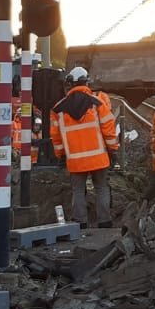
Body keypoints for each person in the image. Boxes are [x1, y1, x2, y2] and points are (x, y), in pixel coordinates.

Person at [50, 66, 119, 228]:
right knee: (101, 188)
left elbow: (56, 136)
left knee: (78, 191)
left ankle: (80, 222)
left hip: (75, 160)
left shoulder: (58, 108)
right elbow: (108, 129)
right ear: (86, 82)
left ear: (70, 84)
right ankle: (104, 221)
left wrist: (60, 155)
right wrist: (113, 149)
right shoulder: (97, 103)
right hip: (98, 158)